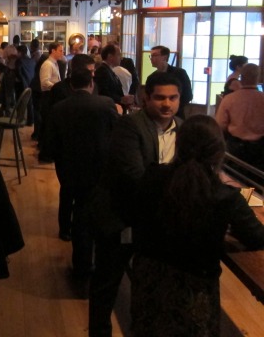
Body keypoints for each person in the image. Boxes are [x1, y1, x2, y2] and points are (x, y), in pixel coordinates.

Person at [131, 115, 264, 336]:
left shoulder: (153, 176)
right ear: (219, 151)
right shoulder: (226, 196)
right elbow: (257, 237)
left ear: (178, 144)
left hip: (149, 278)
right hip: (195, 288)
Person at [89, 72, 183, 337]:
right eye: (160, 98)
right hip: (120, 216)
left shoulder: (183, 128)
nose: (167, 104)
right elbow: (135, 176)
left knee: (150, 286)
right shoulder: (130, 126)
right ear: (146, 97)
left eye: (173, 98)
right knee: (106, 285)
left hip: (156, 221)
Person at [49, 69, 118, 271]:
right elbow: (116, 134)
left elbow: (52, 142)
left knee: (76, 205)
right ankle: (94, 259)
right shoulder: (106, 104)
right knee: (91, 211)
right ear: (91, 84)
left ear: (71, 85)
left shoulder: (59, 108)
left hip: (68, 166)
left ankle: (76, 251)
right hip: (99, 167)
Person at [215, 63, 264, 170]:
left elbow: (220, 125)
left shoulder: (229, 99)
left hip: (236, 147)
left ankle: (241, 187)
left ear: (241, 77)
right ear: (258, 77)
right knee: (256, 179)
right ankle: (252, 188)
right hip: (261, 148)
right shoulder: (262, 98)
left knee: (237, 178)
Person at [149, 45, 193, 119]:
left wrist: (173, 106)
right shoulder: (152, 77)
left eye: (155, 55)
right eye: (151, 56)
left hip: (177, 115)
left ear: (165, 57)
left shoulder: (179, 73)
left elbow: (188, 95)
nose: (151, 58)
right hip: (156, 116)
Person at [93, 44, 134, 108]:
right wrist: (121, 99)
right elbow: (104, 93)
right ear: (110, 57)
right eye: (118, 55)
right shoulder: (102, 71)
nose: (121, 58)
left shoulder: (108, 70)